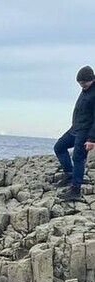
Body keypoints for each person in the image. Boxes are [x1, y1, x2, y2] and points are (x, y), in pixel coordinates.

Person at [54, 65, 95, 201]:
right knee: (59, 147)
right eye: (80, 83)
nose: (82, 85)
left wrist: (91, 139)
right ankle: (69, 173)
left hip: (85, 132)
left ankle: (75, 190)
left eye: (84, 82)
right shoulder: (86, 89)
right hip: (75, 129)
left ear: (91, 79)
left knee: (78, 157)